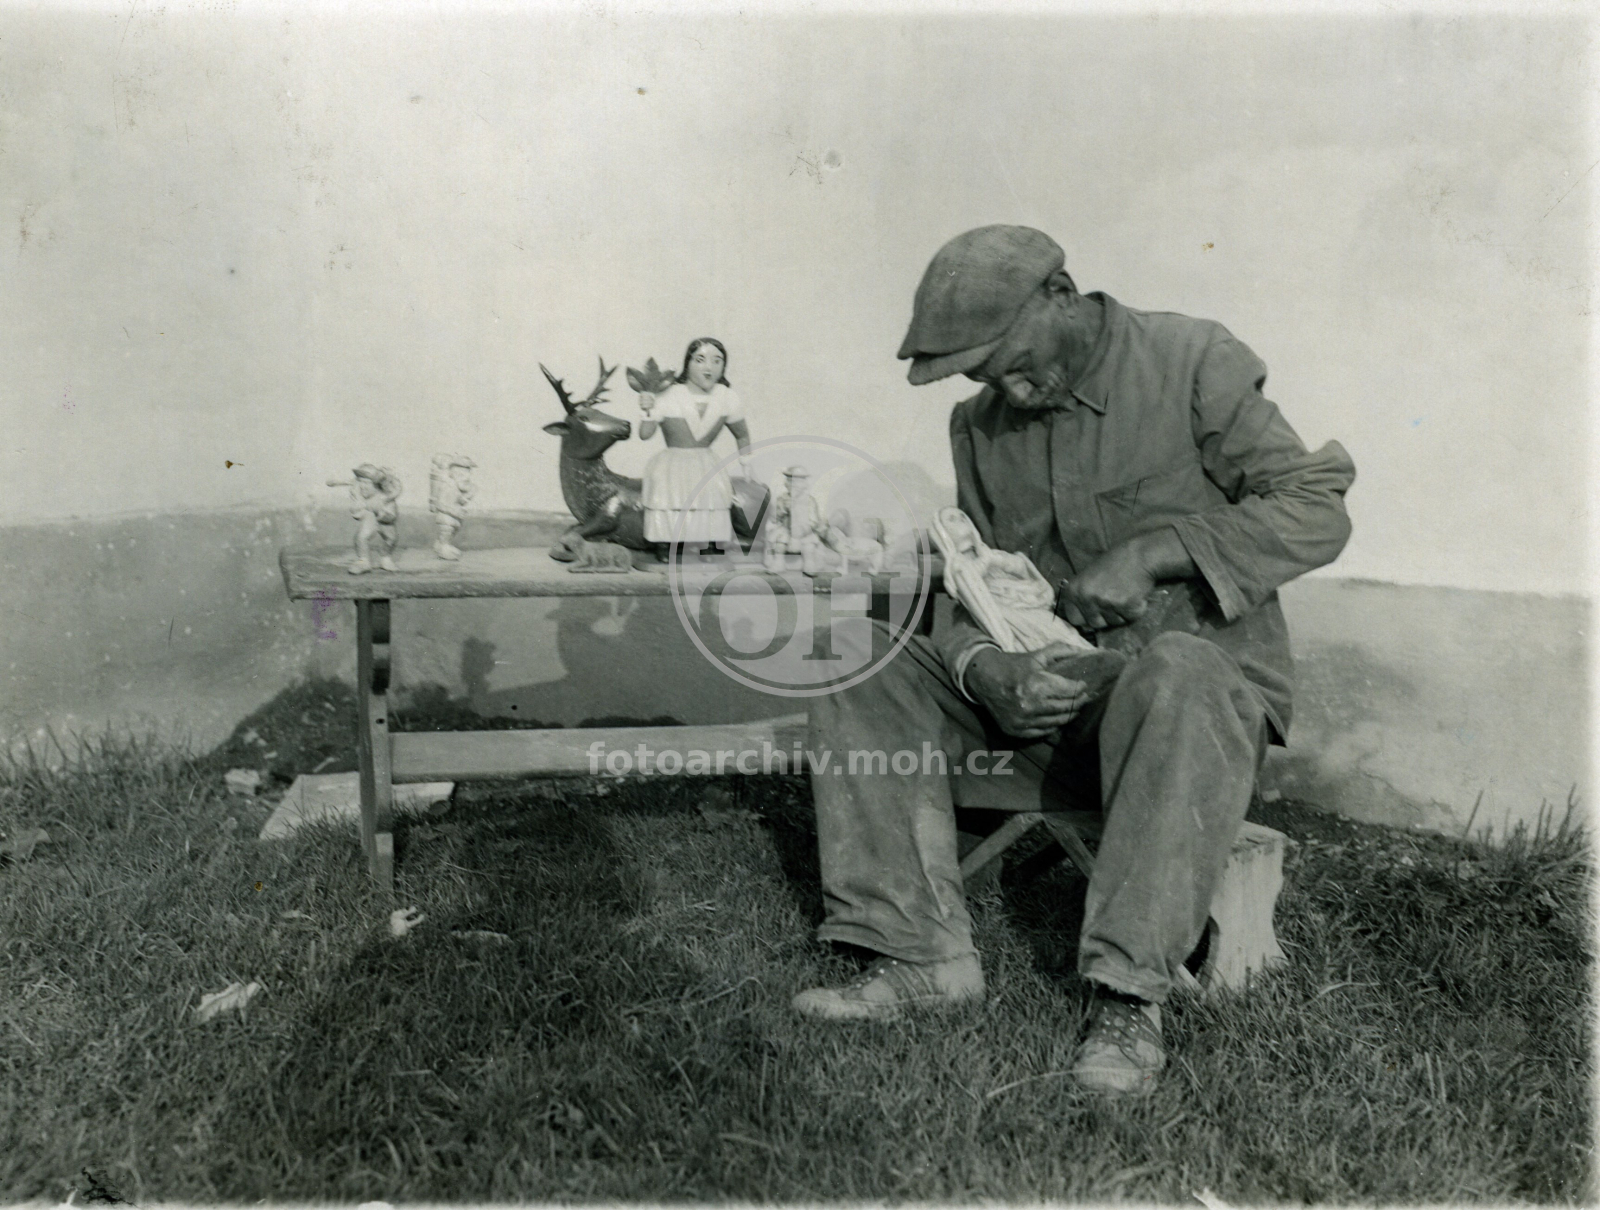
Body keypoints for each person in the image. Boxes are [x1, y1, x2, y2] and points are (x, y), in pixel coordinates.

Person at [791, 226, 1356, 1097]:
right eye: (982, 374)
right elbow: (971, 583)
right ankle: (915, 956)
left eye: (1009, 358)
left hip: (1188, 715)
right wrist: (984, 669)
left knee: (1179, 666)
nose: (1002, 387)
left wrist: (1160, 549)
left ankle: (1130, 1000)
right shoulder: (979, 428)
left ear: (1061, 294)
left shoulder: (1192, 359)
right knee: (858, 650)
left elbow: (1318, 510)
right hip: (1054, 707)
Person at [638, 338, 754, 560]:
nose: (709, 368)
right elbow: (645, 434)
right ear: (687, 363)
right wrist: (647, 409)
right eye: (700, 360)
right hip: (672, 461)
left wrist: (746, 463)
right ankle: (666, 544)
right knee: (668, 494)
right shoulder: (669, 394)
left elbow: (742, 433)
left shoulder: (727, 397)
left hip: (705, 461)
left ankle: (710, 543)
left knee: (713, 493)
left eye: (717, 361)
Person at [762, 466, 830, 575]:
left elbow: (814, 519)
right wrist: (783, 509)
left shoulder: (810, 501)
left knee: (809, 544)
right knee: (779, 541)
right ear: (787, 484)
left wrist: (806, 528)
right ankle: (779, 563)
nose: (794, 485)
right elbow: (774, 518)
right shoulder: (782, 499)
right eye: (791, 481)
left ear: (804, 485)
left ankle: (809, 564)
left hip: (804, 530)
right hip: (786, 529)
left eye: (799, 482)